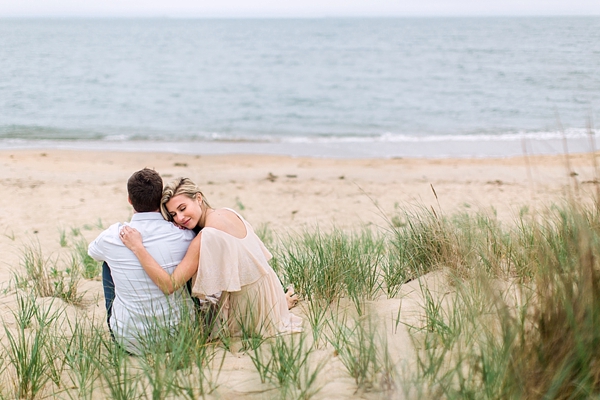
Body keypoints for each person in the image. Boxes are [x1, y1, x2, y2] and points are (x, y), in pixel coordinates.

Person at [119, 177, 302, 339]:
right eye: (173, 214)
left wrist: (138, 248)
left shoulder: (205, 237)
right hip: (270, 293)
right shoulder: (229, 212)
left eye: (182, 208)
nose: (180, 218)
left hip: (249, 312)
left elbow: (169, 285)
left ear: (198, 198)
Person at [88, 169, 196, 354]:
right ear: (161, 197)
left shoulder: (113, 236)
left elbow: (93, 252)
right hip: (180, 336)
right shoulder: (185, 235)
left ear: (130, 199)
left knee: (107, 262)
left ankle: (122, 322)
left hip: (130, 341)